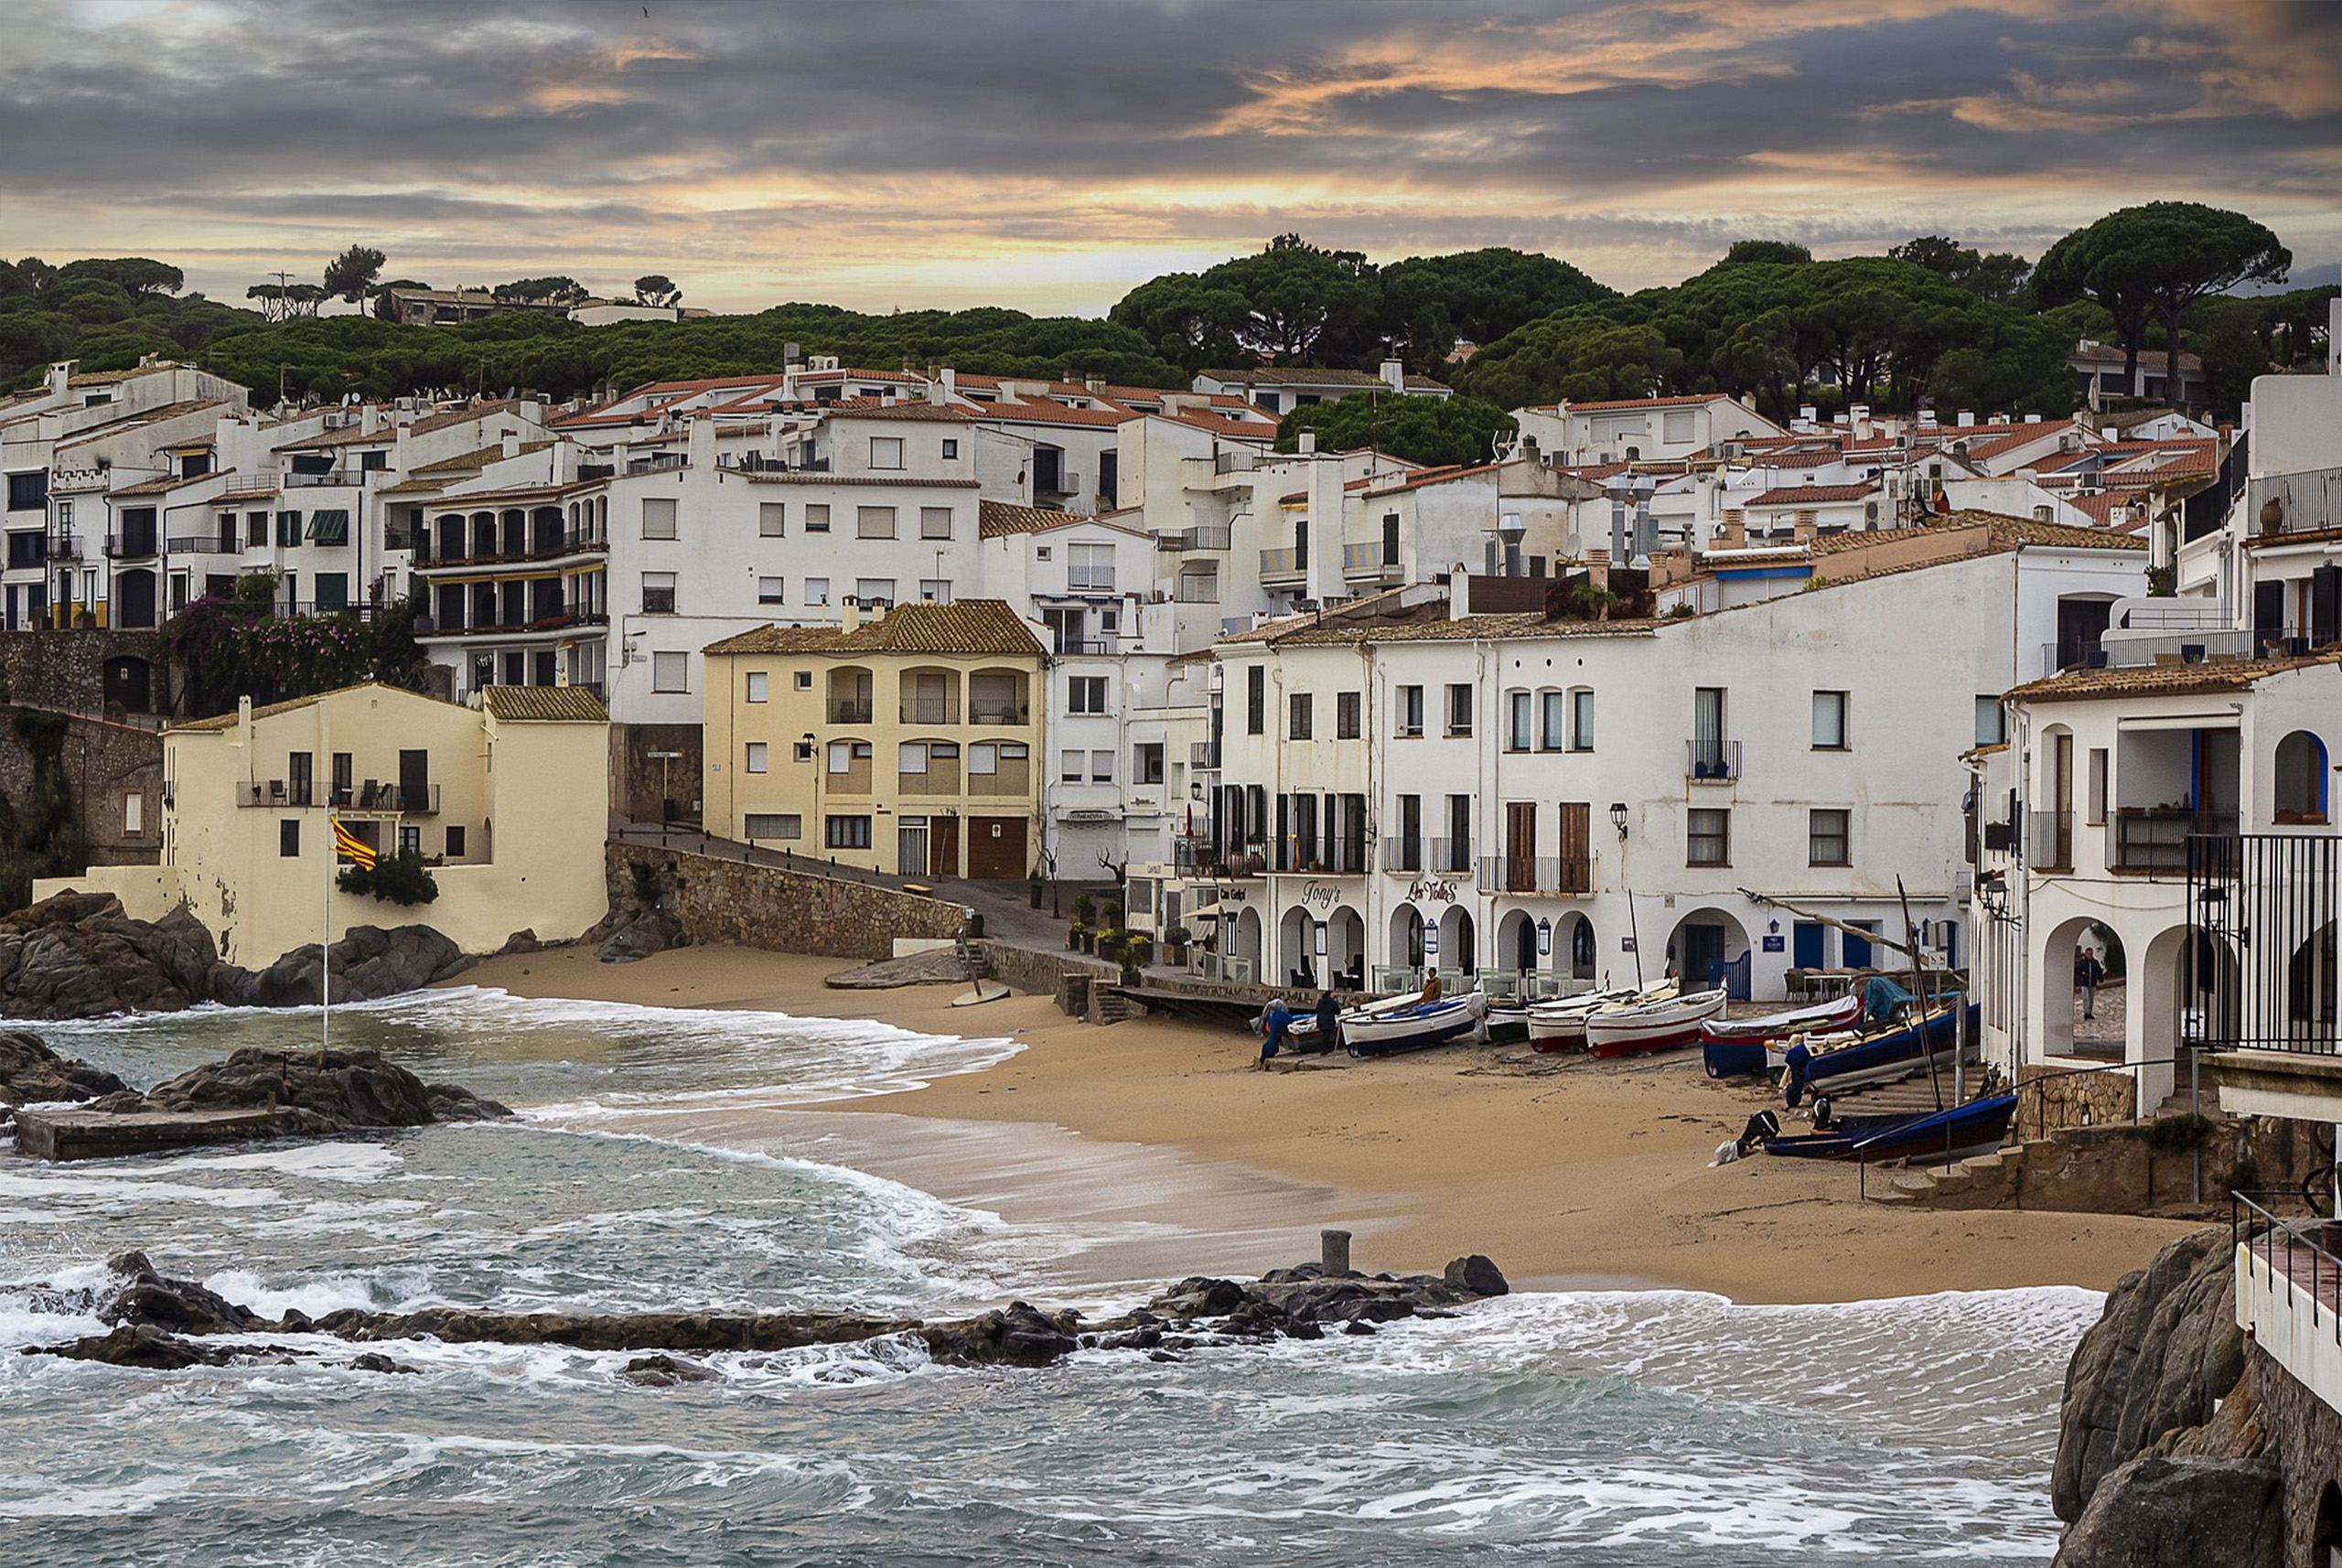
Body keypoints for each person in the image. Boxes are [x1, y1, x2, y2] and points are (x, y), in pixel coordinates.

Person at [1260, 998, 1292, 1069]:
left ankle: (1262, 1061)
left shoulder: (1272, 1016)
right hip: (1276, 1037)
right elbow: (1290, 1020)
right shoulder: (1281, 1016)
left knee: (1270, 1044)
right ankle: (1264, 1062)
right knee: (1271, 1045)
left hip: (1274, 1037)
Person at [2075, 947, 2105, 1021]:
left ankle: (2090, 1012)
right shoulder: (2082, 963)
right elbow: (2077, 971)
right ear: (2086, 954)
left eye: (2090, 954)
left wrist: (2101, 979)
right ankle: (2086, 1012)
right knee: (2086, 998)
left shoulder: (2095, 962)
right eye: (2088, 954)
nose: (2089, 955)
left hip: (2092, 983)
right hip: (2084, 983)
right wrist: (2081, 975)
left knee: (2091, 999)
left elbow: (2099, 971)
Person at [1315, 989, 1340, 1054]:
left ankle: (1324, 1048)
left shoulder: (1320, 1001)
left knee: (1324, 1035)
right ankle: (1326, 1048)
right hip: (1329, 1020)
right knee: (1328, 1035)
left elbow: (1317, 1009)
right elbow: (1338, 1011)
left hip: (1321, 1020)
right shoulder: (1332, 1002)